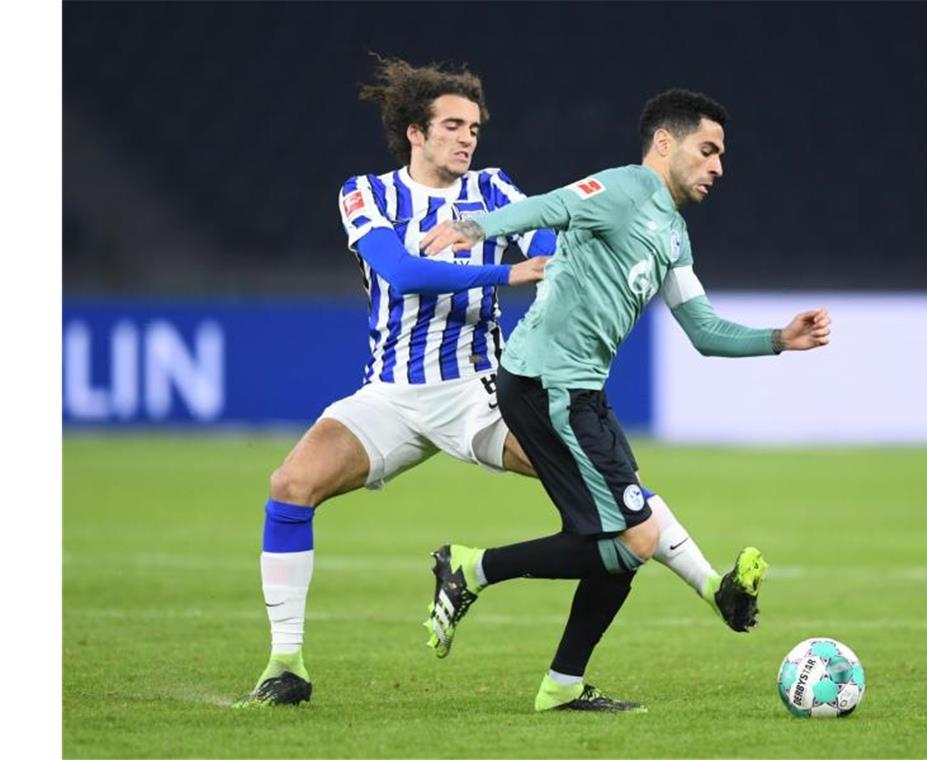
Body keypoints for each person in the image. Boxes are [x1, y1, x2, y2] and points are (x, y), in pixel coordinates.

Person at [236, 60, 767, 708]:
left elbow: (553, 238)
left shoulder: (490, 190)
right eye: (453, 126)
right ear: (414, 132)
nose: (467, 139)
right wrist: (505, 276)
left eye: (475, 128)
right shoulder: (366, 195)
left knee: (611, 496)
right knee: (290, 486)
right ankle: (284, 664)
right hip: (390, 393)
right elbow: (402, 271)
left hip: (480, 390)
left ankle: (708, 585)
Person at [419, 88, 832, 712]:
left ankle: (561, 684)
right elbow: (548, 208)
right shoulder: (620, 190)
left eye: (721, 155)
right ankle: (473, 569)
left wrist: (779, 339)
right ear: (665, 143)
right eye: (708, 149)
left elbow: (704, 332)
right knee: (632, 538)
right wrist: (467, 228)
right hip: (546, 384)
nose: (718, 166)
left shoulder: (672, 234)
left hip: (583, 390)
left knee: (628, 537)